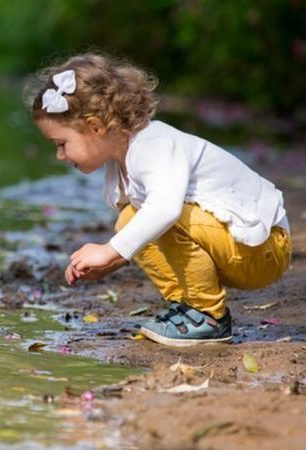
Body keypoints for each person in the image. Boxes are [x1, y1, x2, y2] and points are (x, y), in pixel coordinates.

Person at [24, 53, 291, 347]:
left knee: (157, 215)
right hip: (237, 246)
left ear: (95, 126)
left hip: (265, 247)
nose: (60, 155)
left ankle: (208, 316)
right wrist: (113, 261)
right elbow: (144, 226)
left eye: (62, 144)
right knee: (130, 219)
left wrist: (111, 251)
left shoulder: (154, 144)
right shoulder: (121, 164)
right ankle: (190, 308)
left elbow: (165, 209)